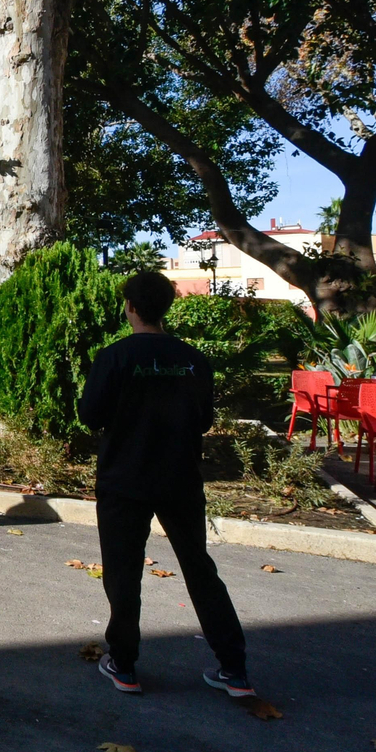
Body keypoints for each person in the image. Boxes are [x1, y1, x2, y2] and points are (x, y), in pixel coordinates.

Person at [79, 271, 252, 698]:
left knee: (123, 572)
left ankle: (124, 663)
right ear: (165, 307)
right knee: (199, 570)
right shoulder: (193, 359)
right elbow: (206, 419)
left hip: (124, 478)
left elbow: (89, 414)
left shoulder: (114, 357)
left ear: (131, 308)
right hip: (180, 478)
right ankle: (234, 668)